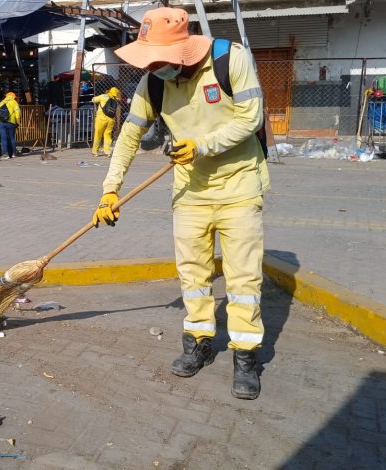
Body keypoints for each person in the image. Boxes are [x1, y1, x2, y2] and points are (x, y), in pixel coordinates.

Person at [91, 8, 270, 400]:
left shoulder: (230, 59)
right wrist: (110, 189)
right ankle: (199, 341)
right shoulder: (153, 83)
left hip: (239, 187)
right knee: (193, 273)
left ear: (184, 50)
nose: (154, 67)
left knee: (242, 280)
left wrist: (204, 146)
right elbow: (128, 137)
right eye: (148, 60)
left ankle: (245, 355)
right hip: (190, 192)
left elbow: (251, 117)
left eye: (159, 59)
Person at [91, 86, 120, 157]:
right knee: (108, 135)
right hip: (110, 120)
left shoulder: (103, 96)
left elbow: (93, 100)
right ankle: (107, 151)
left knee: (98, 135)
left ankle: (95, 151)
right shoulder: (116, 100)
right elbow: (116, 112)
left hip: (101, 119)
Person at [0, 91, 21, 159]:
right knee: (12, 138)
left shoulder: (2, 102)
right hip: (11, 122)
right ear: (14, 97)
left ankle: (5, 154)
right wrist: (18, 122)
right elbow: (17, 113)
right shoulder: (14, 102)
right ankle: (13, 153)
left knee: (3, 138)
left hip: (1, 123)